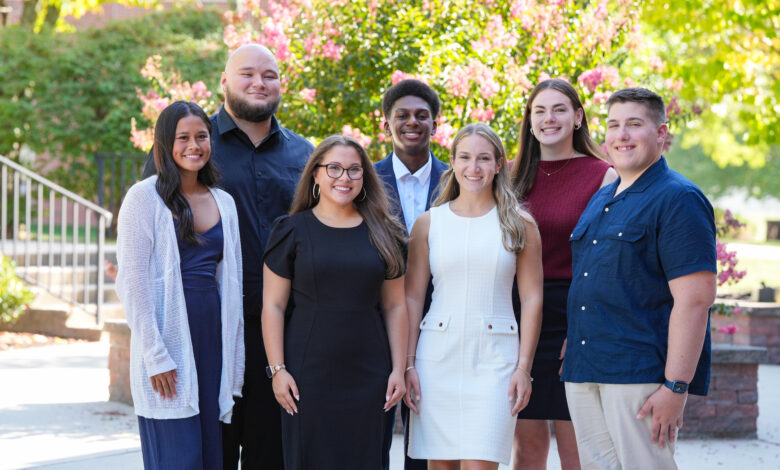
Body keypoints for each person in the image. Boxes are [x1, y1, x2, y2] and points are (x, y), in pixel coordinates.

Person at [142, 44, 313, 469]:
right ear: (224, 82)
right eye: (247, 74)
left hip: (285, 334)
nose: (259, 82)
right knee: (206, 453)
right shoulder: (190, 143)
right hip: (207, 331)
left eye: (269, 74)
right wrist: (154, 346)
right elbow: (144, 252)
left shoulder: (306, 155)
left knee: (273, 454)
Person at [562, 88, 717, 469]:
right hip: (585, 368)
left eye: (635, 124)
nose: (621, 135)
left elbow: (695, 300)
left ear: (661, 134)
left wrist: (675, 388)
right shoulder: (605, 196)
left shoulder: (678, 198)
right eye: (613, 125)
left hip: (638, 373)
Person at [261, 135, 409, 469]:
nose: (344, 177)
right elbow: (273, 306)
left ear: (364, 177)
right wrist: (277, 370)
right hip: (306, 374)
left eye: (354, 170)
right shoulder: (291, 230)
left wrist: (398, 369)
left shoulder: (384, 232)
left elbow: (396, 306)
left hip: (370, 374)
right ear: (315, 174)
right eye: (334, 168)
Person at [405, 123, 544, 469]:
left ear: (499, 164)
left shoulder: (519, 224)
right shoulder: (428, 223)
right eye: (465, 157)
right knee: (440, 466)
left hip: (496, 362)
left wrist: (523, 368)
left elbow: (532, 299)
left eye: (484, 158)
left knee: (481, 463)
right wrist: (407, 363)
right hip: (436, 359)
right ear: (452, 161)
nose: (474, 167)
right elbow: (411, 299)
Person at [116, 101, 244, 469]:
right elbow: (133, 284)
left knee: (214, 454)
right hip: (169, 338)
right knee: (179, 457)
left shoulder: (225, 202)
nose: (194, 145)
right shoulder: (144, 197)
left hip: (212, 336)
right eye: (182, 137)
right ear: (164, 144)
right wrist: (156, 356)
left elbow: (231, 285)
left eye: (201, 136)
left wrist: (234, 369)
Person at [509, 79, 617, 470]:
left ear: (577, 117)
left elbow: (605, 259)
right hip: (519, 317)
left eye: (558, 109)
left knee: (578, 446)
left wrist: (585, 327)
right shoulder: (508, 175)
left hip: (576, 314)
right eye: (539, 111)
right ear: (529, 121)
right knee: (528, 445)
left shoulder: (604, 176)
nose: (548, 118)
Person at [374, 78, 448, 470]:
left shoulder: (460, 181)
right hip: (374, 322)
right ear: (386, 124)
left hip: (440, 325)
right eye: (401, 115)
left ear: (436, 123)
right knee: (371, 436)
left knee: (427, 441)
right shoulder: (363, 181)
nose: (412, 122)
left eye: (422, 115)